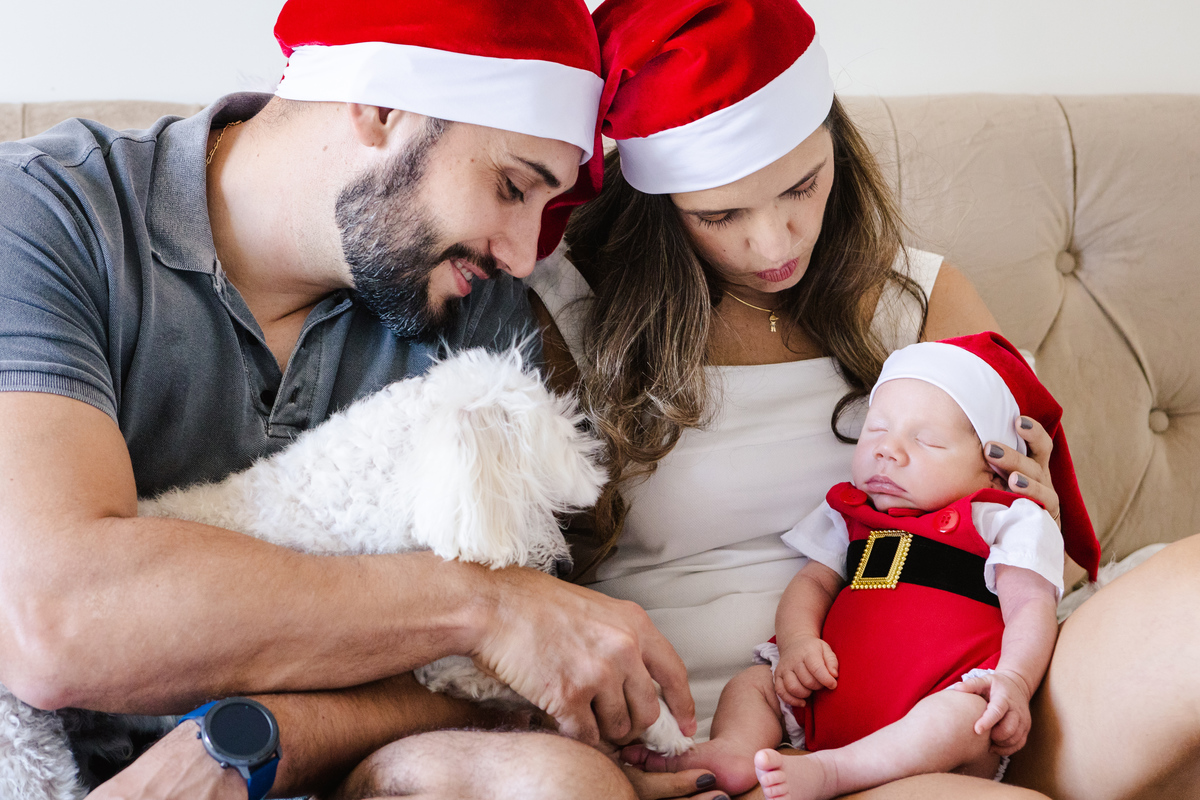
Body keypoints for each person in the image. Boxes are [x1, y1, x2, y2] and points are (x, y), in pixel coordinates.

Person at [0, 1, 695, 798]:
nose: (521, 251)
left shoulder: (477, 314)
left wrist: (246, 743)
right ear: (382, 104)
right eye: (511, 186)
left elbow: (492, 687)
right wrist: (483, 606)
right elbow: (51, 620)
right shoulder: (46, 216)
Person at [528, 0, 1200, 798]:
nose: (777, 243)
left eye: (802, 187)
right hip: (766, 730)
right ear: (657, 203)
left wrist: (1032, 497)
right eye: (723, 215)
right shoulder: (569, 313)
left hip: (981, 685)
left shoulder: (916, 295)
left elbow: (1029, 529)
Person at [622, 332, 1099, 797]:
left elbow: (1030, 605)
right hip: (826, 697)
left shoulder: (1001, 519)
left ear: (990, 465)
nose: (887, 449)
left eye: (928, 441)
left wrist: (1012, 680)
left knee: (961, 718)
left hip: (935, 704)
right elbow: (811, 584)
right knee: (754, 686)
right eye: (876, 429)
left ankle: (833, 772)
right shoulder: (850, 515)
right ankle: (733, 749)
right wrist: (797, 642)